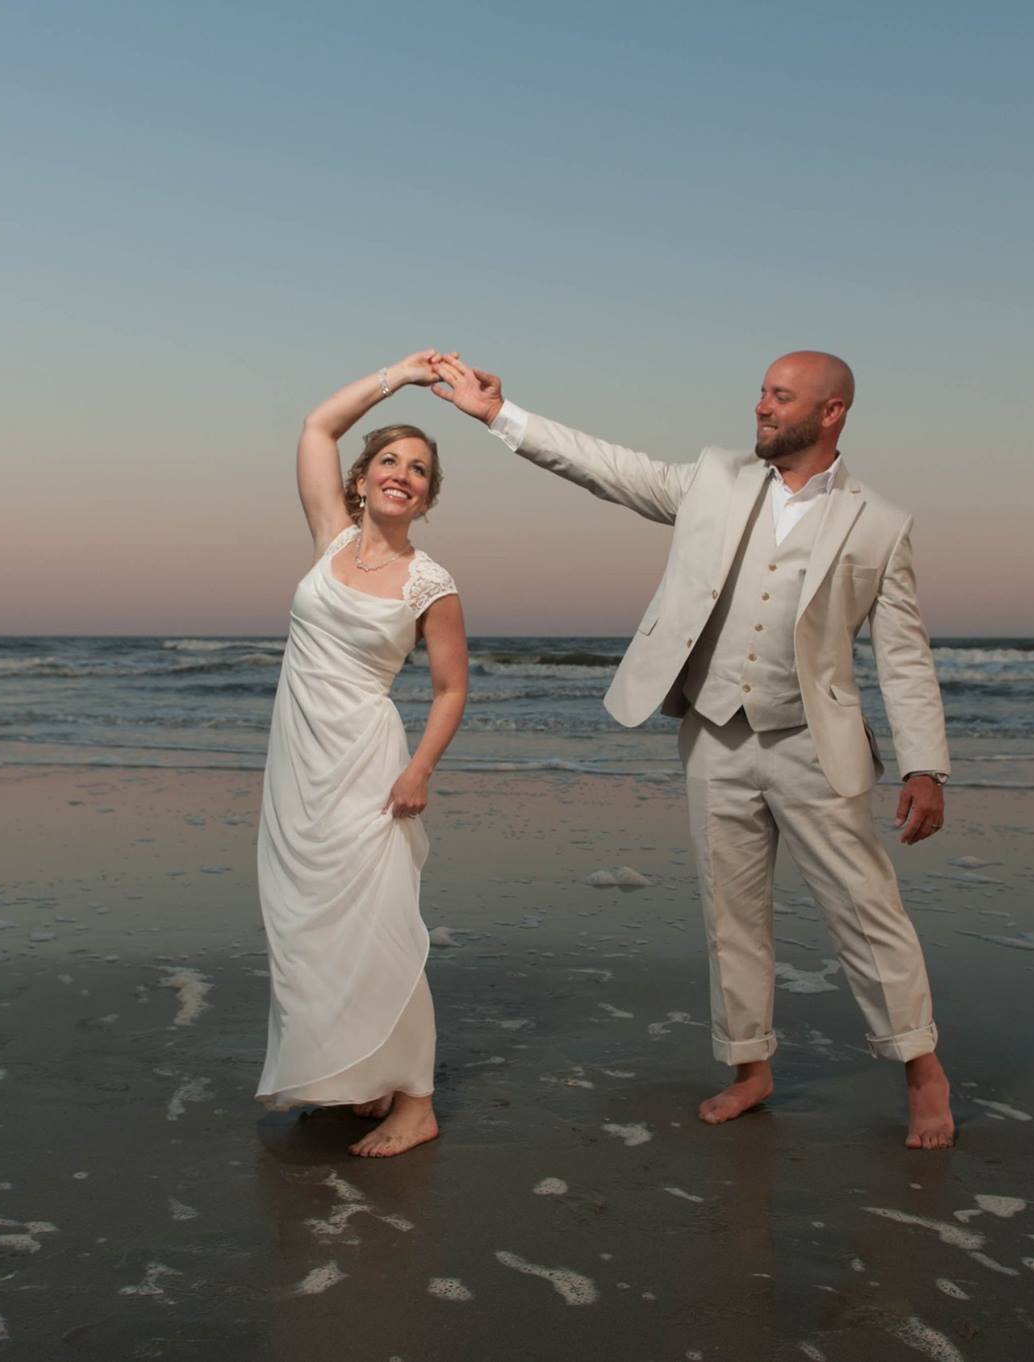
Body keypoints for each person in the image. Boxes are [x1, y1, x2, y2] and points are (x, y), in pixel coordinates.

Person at [431, 350, 957, 1149]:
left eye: (781, 398)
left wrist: (925, 765)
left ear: (832, 412)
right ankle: (750, 1068)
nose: (762, 408)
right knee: (730, 915)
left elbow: (905, 654)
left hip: (814, 745)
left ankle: (922, 1071)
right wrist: (501, 416)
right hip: (714, 733)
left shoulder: (880, 524)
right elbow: (610, 469)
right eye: (762, 393)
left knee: (865, 910)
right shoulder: (716, 476)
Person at [255, 350, 468, 1158]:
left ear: (428, 495)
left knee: (378, 924)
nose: (402, 476)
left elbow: (450, 689)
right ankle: (360, 1075)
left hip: (369, 766)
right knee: (306, 924)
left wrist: (418, 771)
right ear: (360, 478)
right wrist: (403, 375)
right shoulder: (328, 540)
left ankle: (416, 1099)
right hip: (297, 765)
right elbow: (318, 424)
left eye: (418, 469)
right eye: (389, 461)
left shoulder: (430, 582)